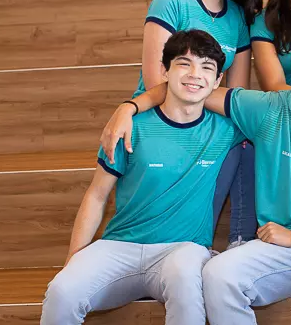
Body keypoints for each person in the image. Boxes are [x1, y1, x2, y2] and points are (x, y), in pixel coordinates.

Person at [100, 20, 291, 325]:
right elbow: (189, 89)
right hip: (279, 252)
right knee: (217, 275)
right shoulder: (267, 108)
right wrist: (129, 106)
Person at [41, 30, 245, 325]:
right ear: (165, 71)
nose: (194, 74)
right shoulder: (129, 127)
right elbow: (97, 195)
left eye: (206, 67)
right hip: (120, 246)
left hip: (182, 250)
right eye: (184, 63)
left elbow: (278, 118)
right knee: (62, 291)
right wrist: (74, 260)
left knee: (187, 281)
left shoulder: (226, 129)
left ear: (217, 82)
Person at [136, 0, 263, 245]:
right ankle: (192, 241)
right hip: (162, 111)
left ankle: (240, 243)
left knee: (250, 134)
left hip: (207, 113)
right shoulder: (171, 0)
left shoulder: (237, 16)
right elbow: (155, 80)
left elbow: (235, 93)